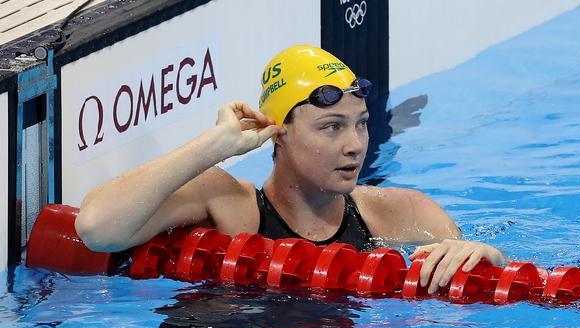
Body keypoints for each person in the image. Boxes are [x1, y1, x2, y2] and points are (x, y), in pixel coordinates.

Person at [75, 45, 506, 294]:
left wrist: (488, 257)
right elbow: (97, 229)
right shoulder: (228, 204)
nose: (354, 145)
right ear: (278, 133)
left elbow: (502, 286)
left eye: (361, 124)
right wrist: (212, 147)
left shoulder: (405, 213)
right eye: (331, 128)